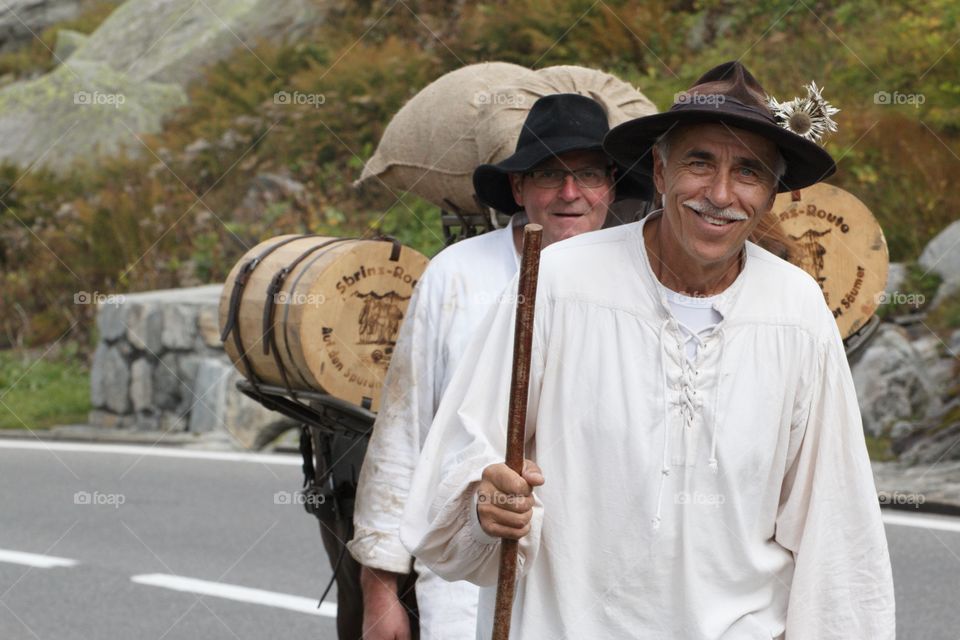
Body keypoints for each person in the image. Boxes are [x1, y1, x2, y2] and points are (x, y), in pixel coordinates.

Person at [401, 62, 896, 639]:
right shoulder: (558, 281)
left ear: (769, 197)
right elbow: (464, 449)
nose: (720, 193)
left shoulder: (796, 310)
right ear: (659, 172)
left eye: (749, 172)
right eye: (699, 162)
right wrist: (485, 501)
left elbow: (833, 517)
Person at [348, 93, 652, 639]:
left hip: (602, 578)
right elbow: (403, 430)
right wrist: (380, 591)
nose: (569, 194)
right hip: (467, 575)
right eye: (546, 175)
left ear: (611, 183)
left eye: (586, 174)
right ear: (517, 188)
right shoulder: (455, 277)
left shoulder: (643, 280)